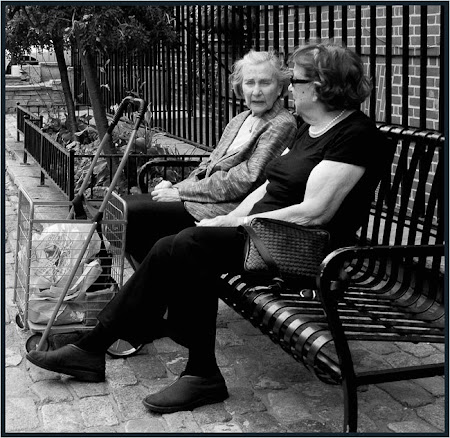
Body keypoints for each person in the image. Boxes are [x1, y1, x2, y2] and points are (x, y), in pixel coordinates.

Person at [27, 42, 393, 414]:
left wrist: (237, 220)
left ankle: (188, 370)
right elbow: (268, 186)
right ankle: (103, 347)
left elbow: (316, 212)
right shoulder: (310, 128)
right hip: (262, 233)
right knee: (176, 244)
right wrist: (232, 219)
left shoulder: (356, 135)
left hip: (303, 248)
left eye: (294, 80)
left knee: (189, 244)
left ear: (319, 86)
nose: (289, 87)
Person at [124, 50, 296, 267]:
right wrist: (178, 187)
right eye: (250, 83)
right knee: (122, 208)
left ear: (280, 87)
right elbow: (207, 166)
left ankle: (161, 286)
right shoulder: (240, 119)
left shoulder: (281, 123)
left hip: (226, 208)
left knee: (131, 214)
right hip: (202, 198)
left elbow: (247, 178)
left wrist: (180, 192)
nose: (257, 91)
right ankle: (165, 284)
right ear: (240, 87)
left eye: (265, 83)